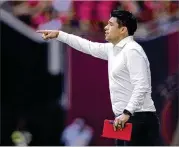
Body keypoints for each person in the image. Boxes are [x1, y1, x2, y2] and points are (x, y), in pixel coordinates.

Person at [37, 10, 160, 146]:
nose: (106, 28)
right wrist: (60, 35)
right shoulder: (112, 49)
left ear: (123, 30)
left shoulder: (133, 52)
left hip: (138, 118)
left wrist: (127, 113)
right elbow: (87, 46)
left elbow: (141, 86)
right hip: (123, 118)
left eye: (111, 25)